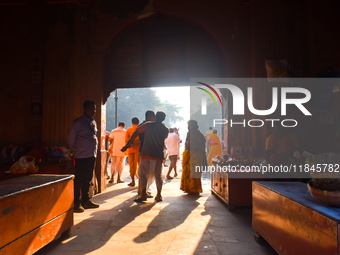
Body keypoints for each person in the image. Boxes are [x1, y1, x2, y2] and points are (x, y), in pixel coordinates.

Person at [122, 111, 169, 202]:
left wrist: (128, 145)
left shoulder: (147, 125)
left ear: (155, 116)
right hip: (158, 154)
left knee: (143, 174)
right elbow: (163, 139)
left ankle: (143, 195)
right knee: (158, 175)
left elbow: (136, 133)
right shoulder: (165, 129)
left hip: (146, 153)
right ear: (164, 119)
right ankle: (159, 195)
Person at [68, 100, 100, 213]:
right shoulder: (78, 123)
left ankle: (86, 200)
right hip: (81, 155)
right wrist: (74, 150)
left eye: (94, 109)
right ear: (85, 109)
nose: (93, 111)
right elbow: (71, 139)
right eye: (91, 109)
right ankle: (77, 203)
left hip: (91, 154)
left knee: (87, 178)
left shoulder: (93, 122)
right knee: (79, 179)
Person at [180, 120, 206, 194]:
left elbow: (201, 145)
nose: (188, 127)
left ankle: (194, 189)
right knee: (187, 172)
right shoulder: (191, 133)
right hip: (190, 155)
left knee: (194, 173)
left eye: (189, 125)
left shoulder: (198, 134)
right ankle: (188, 188)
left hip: (195, 156)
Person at [137, 110, 156, 198]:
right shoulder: (146, 126)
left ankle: (142, 190)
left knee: (144, 172)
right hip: (145, 151)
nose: (155, 118)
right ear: (149, 116)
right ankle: (142, 191)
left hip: (145, 150)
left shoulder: (144, 125)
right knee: (145, 172)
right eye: (153, 116)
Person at [126, 117, 140, 187]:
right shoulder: (141, 130)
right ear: (138, 123)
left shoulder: (129, 130)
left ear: (132, 123)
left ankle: (133, 181)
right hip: (139, 150)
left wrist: (132, 143)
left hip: (131, 150)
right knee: (140, 165)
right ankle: (141, 182)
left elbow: (126, 140)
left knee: (132, 165)